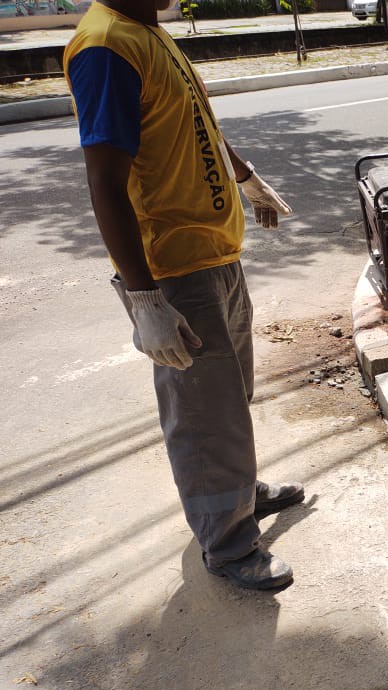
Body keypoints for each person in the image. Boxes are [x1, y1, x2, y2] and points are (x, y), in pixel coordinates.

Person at [64, 0, 303, 590]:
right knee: (203, 415)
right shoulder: (106, 45)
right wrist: (145, 302)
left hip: (216, 254)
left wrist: (245, 179)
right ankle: (226, 543)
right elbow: (105, 181)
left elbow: (197, 124)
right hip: (174, 270)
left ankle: (238, 494)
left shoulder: (148, 31)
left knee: (230, 395)